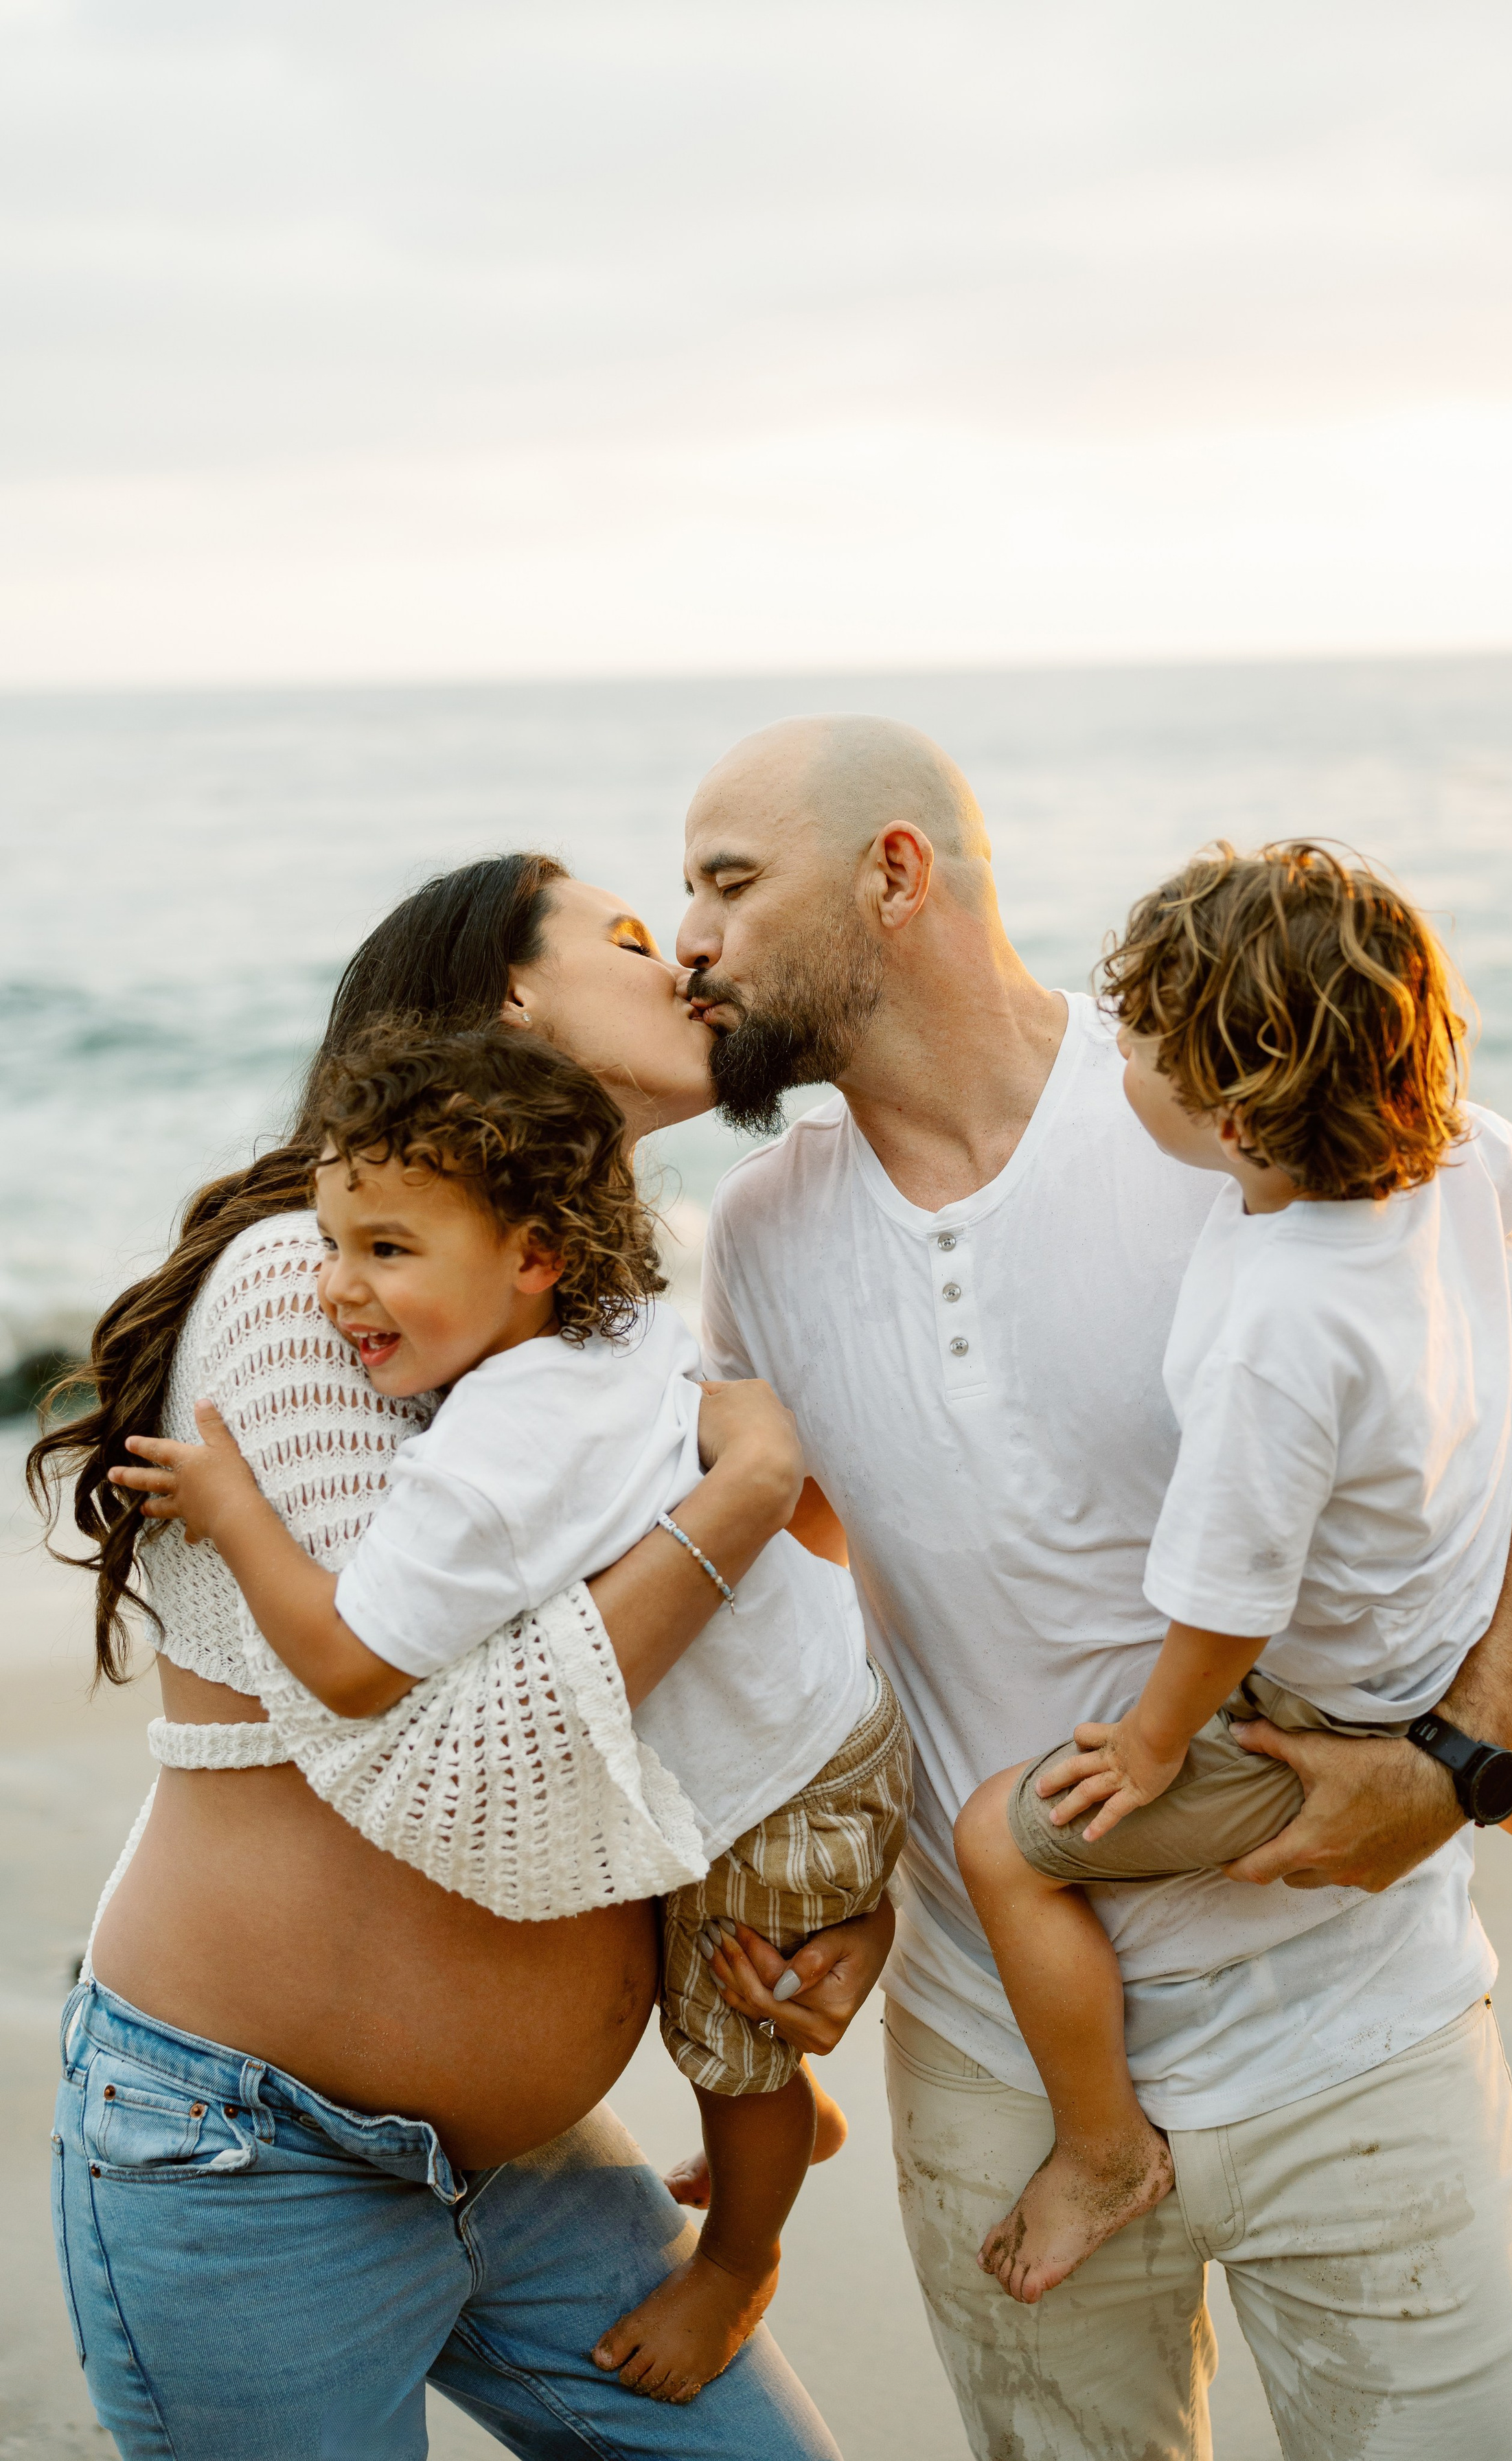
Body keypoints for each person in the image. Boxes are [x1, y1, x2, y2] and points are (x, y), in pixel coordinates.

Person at [679, 713, 1512, 2460]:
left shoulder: (1229, 1108)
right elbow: (843, 1582)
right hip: (994, 2063)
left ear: (892, 874)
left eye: (728, 884)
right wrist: (839, 1890)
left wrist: (1451, 1759)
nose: (689, 941)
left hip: (1353, 2036)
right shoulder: (756, 1234)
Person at [29, 851, 891, 2461]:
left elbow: (726, 1670)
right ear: (511, 994)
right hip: (254, 2147)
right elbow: (454, 1756)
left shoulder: (591, 1322)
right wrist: (743, 1494)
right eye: (624, 935)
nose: (681, 957)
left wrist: (800, 1900)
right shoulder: (315, 1282)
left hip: (533, 2165)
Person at [950, 840, 1512, 2309]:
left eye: (1139, 1046)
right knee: (1486, 1715)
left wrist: (1151, 1742)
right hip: (1446, 1604)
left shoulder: (1275, 1324)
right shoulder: (1453, 1157)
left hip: (1328, 1703)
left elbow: (1227, 1601)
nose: (1115, 1057)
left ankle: (1100, 2146)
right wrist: (1471, 1150)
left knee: (1001, 1846)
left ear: (1233, 1113)